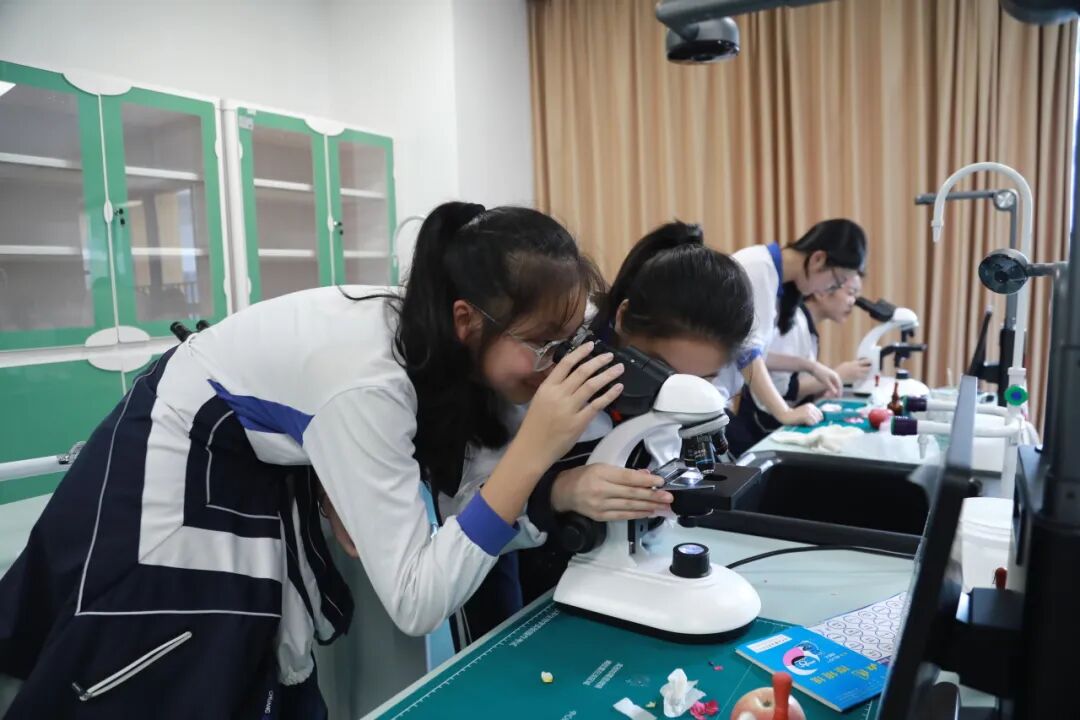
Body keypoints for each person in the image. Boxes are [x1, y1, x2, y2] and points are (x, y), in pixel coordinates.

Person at [0, 202, 621, 718]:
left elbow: (468, 507)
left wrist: (558, 489)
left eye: (569, 341)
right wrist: (534, 455)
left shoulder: (445, 342)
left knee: (271, 658)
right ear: (467, 320)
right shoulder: (369, 382)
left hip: (259, 453)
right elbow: (418, 599)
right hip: (180, 458)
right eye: (545, 346)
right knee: (175, 662)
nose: (556, 365)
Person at [463, 221, 756, 635]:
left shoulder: (690, 381)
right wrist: (558, 491)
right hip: (523, 583)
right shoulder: (536, 373)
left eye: (701, 379)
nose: (678, 390)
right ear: (621, 318)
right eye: (664, 372)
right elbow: (467, 516)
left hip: (623, 571)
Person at [721, 219, 869, 456]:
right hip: (704, 398)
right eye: (837, 282)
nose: (829, 289)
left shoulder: (773, 279)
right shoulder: (758, 268)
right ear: (818, 259)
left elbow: (756, 354)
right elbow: (746, 354)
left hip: (718, 399)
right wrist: (785, 412)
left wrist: (809, 366)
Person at [734, 272, 871, 445]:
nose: (853, 302)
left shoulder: (807, 326)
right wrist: (839, 375)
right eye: (851, 293)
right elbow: (781, 389)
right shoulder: (793, 323)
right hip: (763, 428)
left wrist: (820, 387)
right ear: (822, 291)